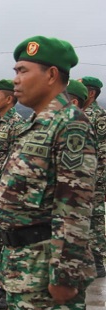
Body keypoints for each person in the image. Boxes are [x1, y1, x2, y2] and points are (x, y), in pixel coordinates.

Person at [0, 36, 97, 310]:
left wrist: (65, 275)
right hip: (23, 269)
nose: (16, 79)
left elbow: (74, 207)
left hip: (47, 271)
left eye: (23, 71)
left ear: (52, 74)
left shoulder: (70, 125)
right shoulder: (35, 125)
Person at [0, 79, 24, 310]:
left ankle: (11, 289)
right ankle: (2, 285)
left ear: (9, 99)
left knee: (10, 243)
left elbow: (16, 162)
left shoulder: (16, 125)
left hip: (7, 193)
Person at [78, 76, 106, 278]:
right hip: (81, 179)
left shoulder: (98, 117)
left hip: (95, 179)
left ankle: (98, 262)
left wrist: (101, 182)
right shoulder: (80, 114)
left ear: (91, 93)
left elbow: (104, 152)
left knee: (95, 220)